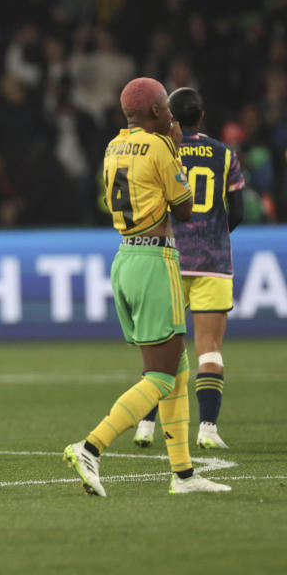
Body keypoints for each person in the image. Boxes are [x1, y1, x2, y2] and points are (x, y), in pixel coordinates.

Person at [62, 77, 230, 496]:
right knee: (160, 375)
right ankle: (91, 446)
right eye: (167, 111)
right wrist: (173, 148)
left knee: (178, 369)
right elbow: (186, 211)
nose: (172, 117)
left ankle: (184, 475)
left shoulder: (113, 145)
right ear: (156, 111)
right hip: (156, 259)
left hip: (125, 257)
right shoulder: (159, 146)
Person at [133, 87, 245, 450]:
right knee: (209, 347)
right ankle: (208, 429)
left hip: (169, 259)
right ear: (202, 115)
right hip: (213, 261)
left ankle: (146, 427)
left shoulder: (162, 149)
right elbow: (239, 211)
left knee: (162, 347)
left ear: (172, 118)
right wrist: (212, 235)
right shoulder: (225, 154)